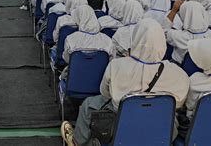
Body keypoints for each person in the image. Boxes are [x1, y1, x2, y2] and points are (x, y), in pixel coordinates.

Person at [61, 18, 189, 146]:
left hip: (122, 124)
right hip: (162, 129)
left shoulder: (117, 65)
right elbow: (178, 103)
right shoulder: (179, 74)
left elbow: (105, 93)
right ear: (163, 43)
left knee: (88, 104)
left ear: (135, 38)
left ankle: (77, 141)